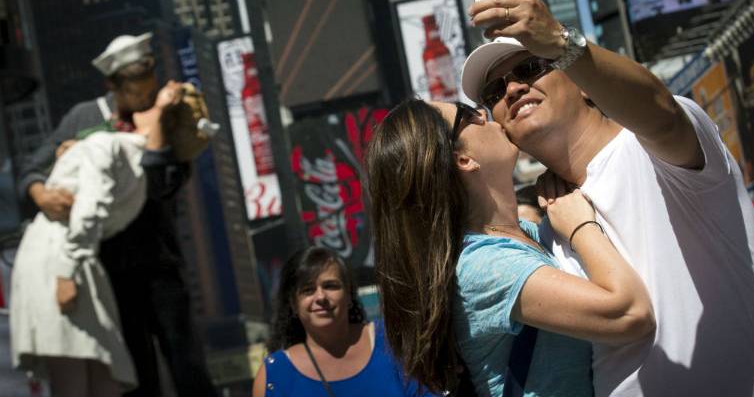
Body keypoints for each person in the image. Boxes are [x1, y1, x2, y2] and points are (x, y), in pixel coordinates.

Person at [460, 0, 754, 396]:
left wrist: (565, 44)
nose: (512, 88)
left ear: (583, 85)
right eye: (493, 92)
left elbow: (660, 109)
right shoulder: (549, 226)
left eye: (531, 66)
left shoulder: (654, 148)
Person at [365, 98, 654, 396]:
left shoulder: (523, 234)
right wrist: (581, 227)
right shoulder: (486, 266)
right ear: (461, 159)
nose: (483, 112)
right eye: (467, 114)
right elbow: (631, 314)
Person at [17, 33, 218, 396]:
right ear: (113, 84)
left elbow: (162, 184)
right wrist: (41, 192)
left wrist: (156, 120)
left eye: (148, 83)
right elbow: (33, 168)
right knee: (136, 373)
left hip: (158, 262)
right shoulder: (85, 116)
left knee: (186, 363)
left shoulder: (168, 115)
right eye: (132, 87)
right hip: (107, 270)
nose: (143, 94)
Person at [252, 246, 439, 397]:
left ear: (349, 294)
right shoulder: (273, 376)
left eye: (330, 286)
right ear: (293, 304)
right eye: (308, 290)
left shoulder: (392, 341)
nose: (321, 297)